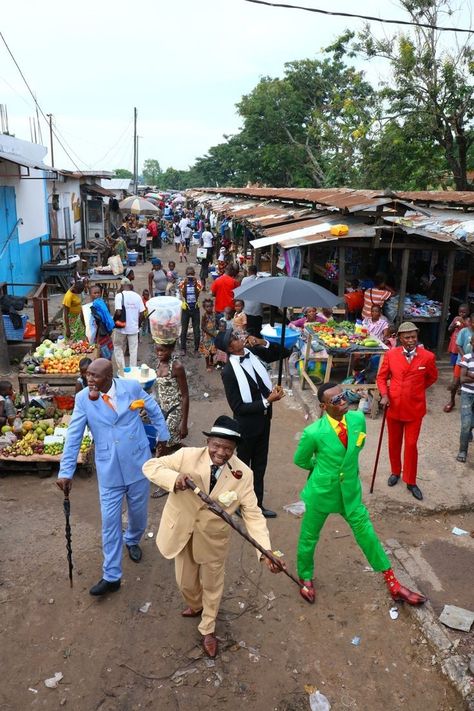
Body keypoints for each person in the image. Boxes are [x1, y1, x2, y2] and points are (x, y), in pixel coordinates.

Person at [142, 415, 282, 658]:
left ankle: (208, 627)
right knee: (185, 583)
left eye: (228, 448)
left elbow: (252, 513)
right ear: (208, 442)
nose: (221, 452)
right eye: (216, 445)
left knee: (213, 585)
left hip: (214, 539)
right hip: (182, 532)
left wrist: (265, 551)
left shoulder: (243, 474)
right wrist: (174, 479)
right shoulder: (186, 456)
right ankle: (196, 606)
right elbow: (150, 467)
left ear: (235, 449)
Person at [294, 382, 427, 606]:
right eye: (336, 400)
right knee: (309, 537)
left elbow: (359, 445)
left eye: (343, 396)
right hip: (322, 493)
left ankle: (392, 582)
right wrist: (321, 466)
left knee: (367, 535)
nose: (343, 401)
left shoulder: (357, 420)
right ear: (323, 406)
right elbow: (301, 460)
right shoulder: (313, 433)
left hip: (351, 493)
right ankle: (305, 576)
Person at [56, 358, 169, 596]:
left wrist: (163, 435)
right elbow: (74, 436)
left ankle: (133, 539)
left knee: (138, 514)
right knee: (109, 523)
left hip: (138, 463)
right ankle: (112, 576)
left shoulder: (131, 388)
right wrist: (66, 471)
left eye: (95, 376)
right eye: (88, 375)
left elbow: (152, 408)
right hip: (109, 470)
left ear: (109, 377)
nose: (89, 380)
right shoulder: (83, 399)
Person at [216, 329, 290, 517]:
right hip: (246, 425)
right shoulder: (229, 372)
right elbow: (238, 407)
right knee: (242, 466)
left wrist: (262, 343)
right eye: (234, 338)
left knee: (260, 464)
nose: (239, 337)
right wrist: (267, 401)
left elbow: (283, 352)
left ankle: (256, 505)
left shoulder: (253, 352)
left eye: (236, 334)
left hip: (264, 419)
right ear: (230, 348)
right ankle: (239, 503)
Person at [376, 322, 438, 501]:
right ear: (399, 338)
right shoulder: (391, 354)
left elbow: (432, 378)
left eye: (414, 337)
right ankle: (395, 472)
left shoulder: (427, 357)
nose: (411, 340)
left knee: (411, 445)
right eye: (407, 337)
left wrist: (416, 391)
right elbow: (381, 377)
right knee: (394, 443)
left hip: (415, 409)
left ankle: (410, 481)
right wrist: (385, 395)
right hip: (393, 407)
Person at [153, 339, 189, 456]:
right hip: (164, 409)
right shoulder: (158, 363)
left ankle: (160, 467)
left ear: (171, 349)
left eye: (162, 351)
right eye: (157, 350)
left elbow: (185, 396)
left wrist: (184, 424)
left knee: (163, 444)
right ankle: (190, 455)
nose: (159, 353)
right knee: (173, 442)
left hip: (175, 410)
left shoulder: (176, 367)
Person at [113, 280, 145, 371]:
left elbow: (118, 312)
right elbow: (142, 313)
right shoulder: (137, 296)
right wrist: (138, 324)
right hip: (134, 328)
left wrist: (113, 321)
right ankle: (133, 371)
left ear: (122, 286)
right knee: (133, 350)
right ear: (131, 286)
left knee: (118, 346)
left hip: (121, 328)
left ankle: (122, 370)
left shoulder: (119, 296)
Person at [444, 306, 471, 412]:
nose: (462, 313)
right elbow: (450, 330)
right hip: (461, 357)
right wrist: (455, 325)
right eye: (460, 311)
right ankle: (452, 400)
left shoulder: (468, 325)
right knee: (455, 381)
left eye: (464, 312)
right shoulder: (463, 329)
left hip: (470, 359)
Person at [456, 334, 474, 463]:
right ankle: (463, 450)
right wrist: (467, 375)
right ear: (471, 344)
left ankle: (469, 432)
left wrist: (471, 374)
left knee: (470, 423)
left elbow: (467, 376)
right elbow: (462, 379)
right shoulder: (466, 358)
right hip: (467, 394)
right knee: (466, 424)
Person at [179, 267, 202, 356]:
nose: (190, 276)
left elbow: (198, 293)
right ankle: (183, 348)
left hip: (195, 308)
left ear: (194, 273)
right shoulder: (182, 283)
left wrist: (194, 284)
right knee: (184, 329)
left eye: (192, 274)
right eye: (189, 274)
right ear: (186, 274)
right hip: (186, 308)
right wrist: (186, 284)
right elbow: (183, 294)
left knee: (196, 330)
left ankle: (196, 349)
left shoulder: (198, 283)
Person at [88, 285, 115, 360]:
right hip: (98, 336)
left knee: (102, 358)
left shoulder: (101, 305)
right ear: (90, 294)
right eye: (94, 293)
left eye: (98, 293)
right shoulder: (88, 308)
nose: (97, 295)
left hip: (101, 335)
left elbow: (107, 319)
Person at [239, 265, 263, 336]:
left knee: (248, 329)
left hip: (247, 309)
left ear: (249, 272)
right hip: (258, 310)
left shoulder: (244, 280)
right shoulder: (260, 280)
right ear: (256, 272)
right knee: (257, 330)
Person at [199, 298, 217, 371]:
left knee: (213, 349)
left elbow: (215, 323)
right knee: (207, 351)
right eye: (207, 306)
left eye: (210, 306)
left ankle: (212, 360)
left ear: (213, 306)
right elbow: (202, 327)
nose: (209, 308)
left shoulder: (214, 314)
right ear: (204, 307)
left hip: (214, 334)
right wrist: (210, 333)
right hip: (207, 336)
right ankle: (207, 365)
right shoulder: (204, 316)